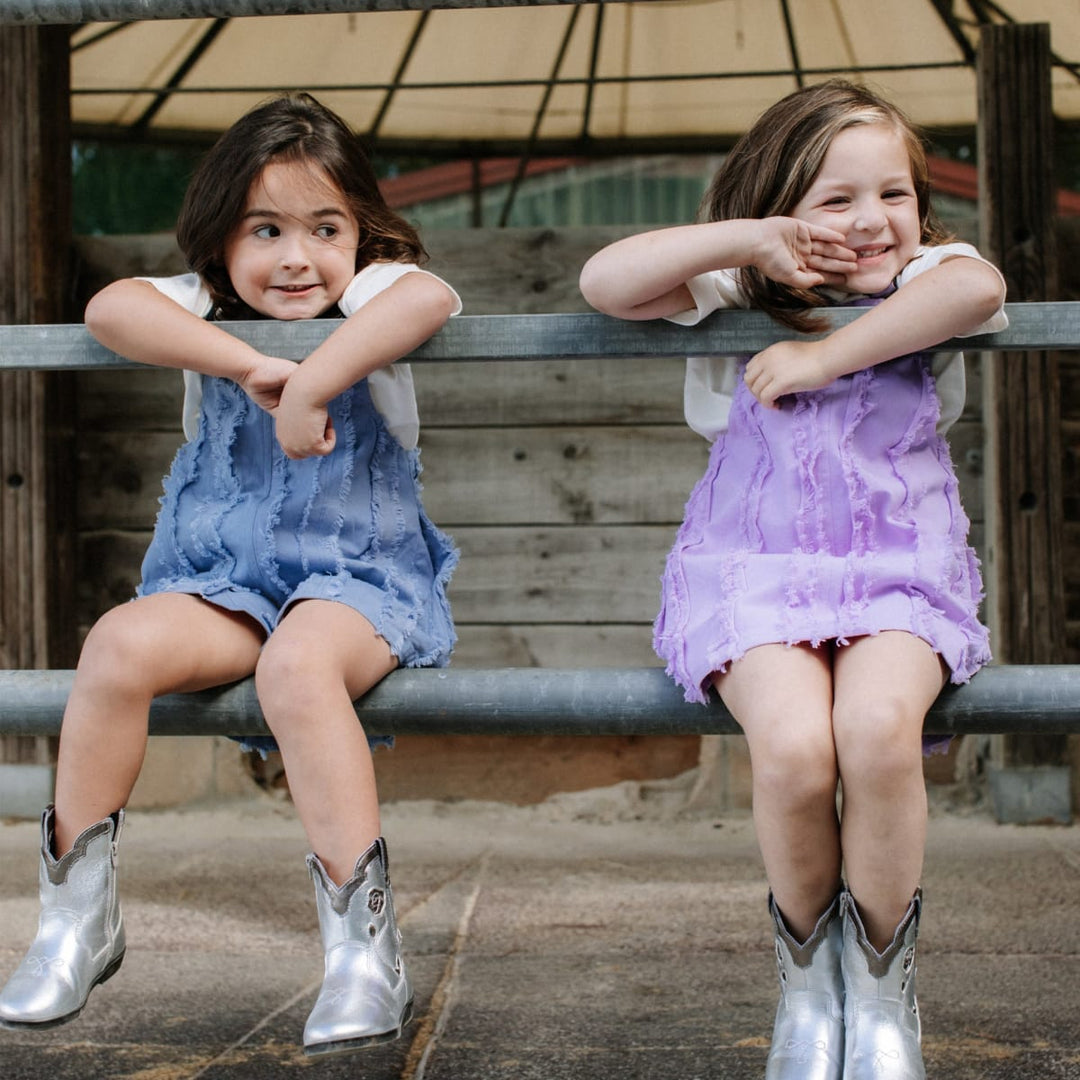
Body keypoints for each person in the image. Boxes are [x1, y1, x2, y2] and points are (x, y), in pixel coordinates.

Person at [0, 93, 460, 1059]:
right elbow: (108, 307)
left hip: (356, 576)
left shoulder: (373, 292)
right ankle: (75, 920)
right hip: (224, 578)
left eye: (325, 228)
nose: (298, 258)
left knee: (298, 669)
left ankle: (360, 949)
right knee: (118, 643)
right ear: (221, 237)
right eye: (266, 229)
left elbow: (429, 298)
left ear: (361, 233)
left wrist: (316, 379)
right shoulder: (205, 305)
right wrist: (254, 366)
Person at [579, 79, 1007, 1080]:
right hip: (754, 575)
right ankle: (810, 989)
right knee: (792, 752)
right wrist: (746, 241)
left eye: (894, 193)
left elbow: (977, 290)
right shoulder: (735, 288)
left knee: (874, 734)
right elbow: (607, 280)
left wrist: (829, 356)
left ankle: (884, 989)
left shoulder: (928, 274)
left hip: (900, 572)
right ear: (779, 207)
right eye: (836, 198)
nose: (872, 221)